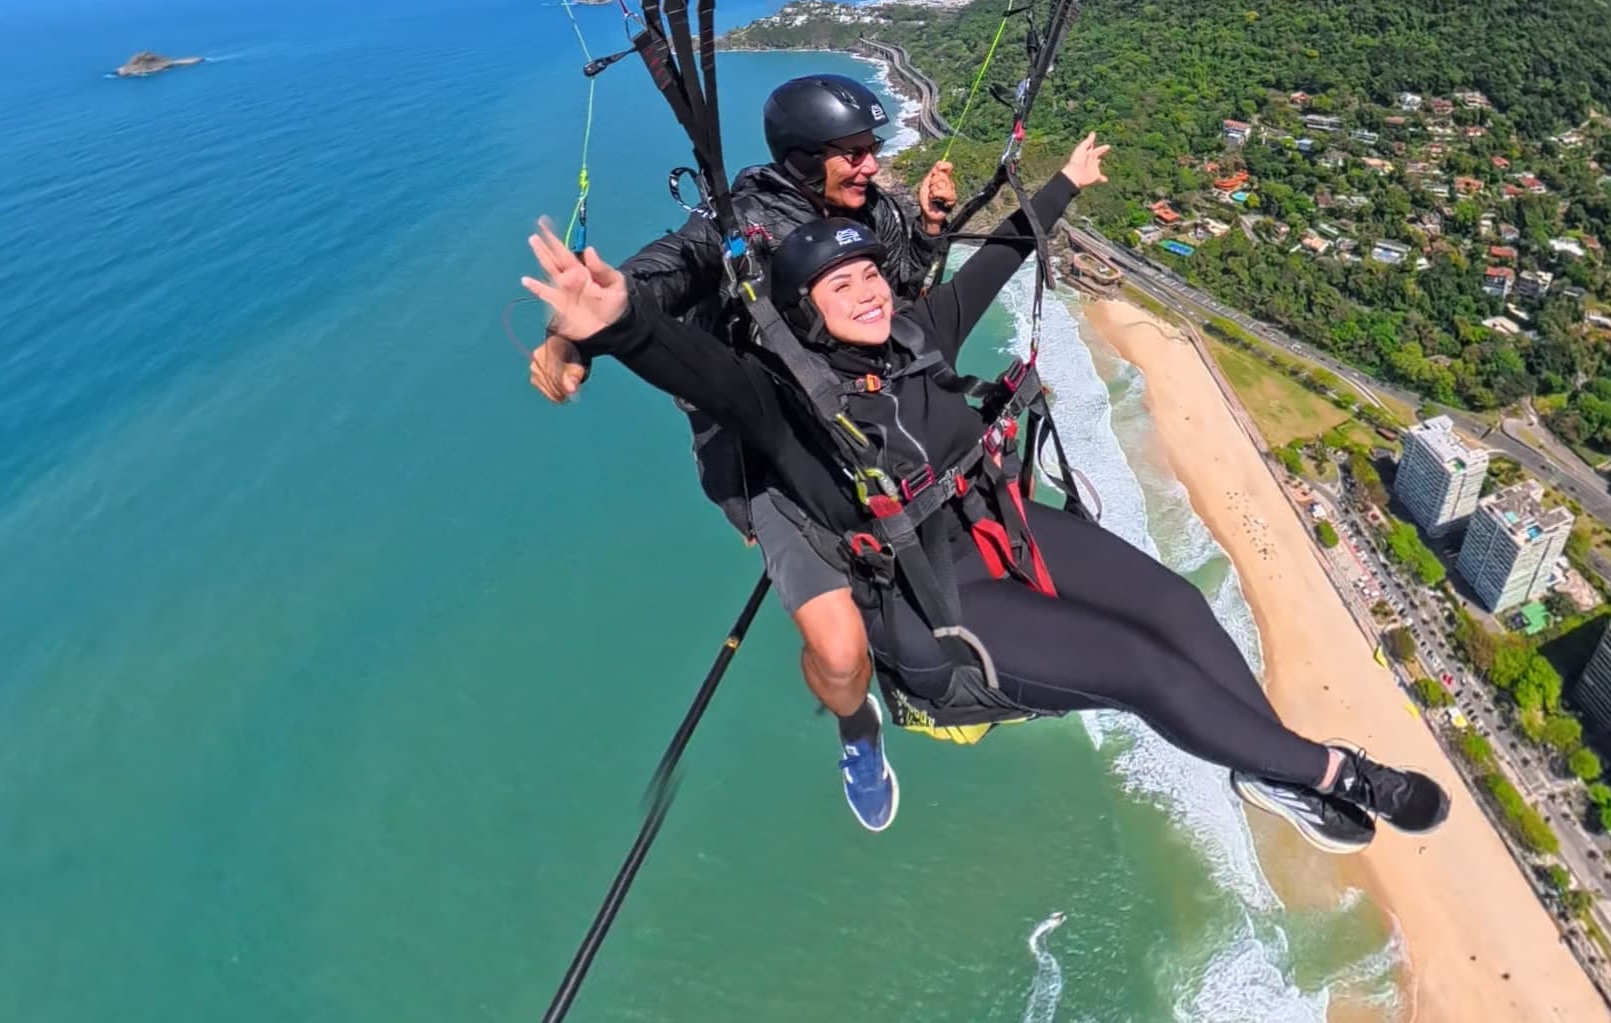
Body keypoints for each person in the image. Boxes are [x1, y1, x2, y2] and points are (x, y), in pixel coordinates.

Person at [517, 133, 1453, 854]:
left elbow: (998, 255)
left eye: (871, 276)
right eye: (841, 287)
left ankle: (1271, 768)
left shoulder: (919, 335)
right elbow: (701, 370)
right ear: (805, 312)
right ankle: (1345, 773)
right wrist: (619, 323)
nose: (869, 294)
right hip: (932, 603)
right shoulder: (784, 403)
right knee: (1139, 666)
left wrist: (1065, 184)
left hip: (996, 528)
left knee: (1176, 603)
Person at [525, 72, 954, 830]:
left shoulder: (873, 210)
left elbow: (901, 294)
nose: (871, 166)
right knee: (843, 657)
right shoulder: (740, 222)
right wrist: (574, 331)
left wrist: (923, 228)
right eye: (851, 154)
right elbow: (656, 278)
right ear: (800, 157)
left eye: (871, 151)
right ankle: (857, 727)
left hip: (864, 426)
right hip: (769, 438)